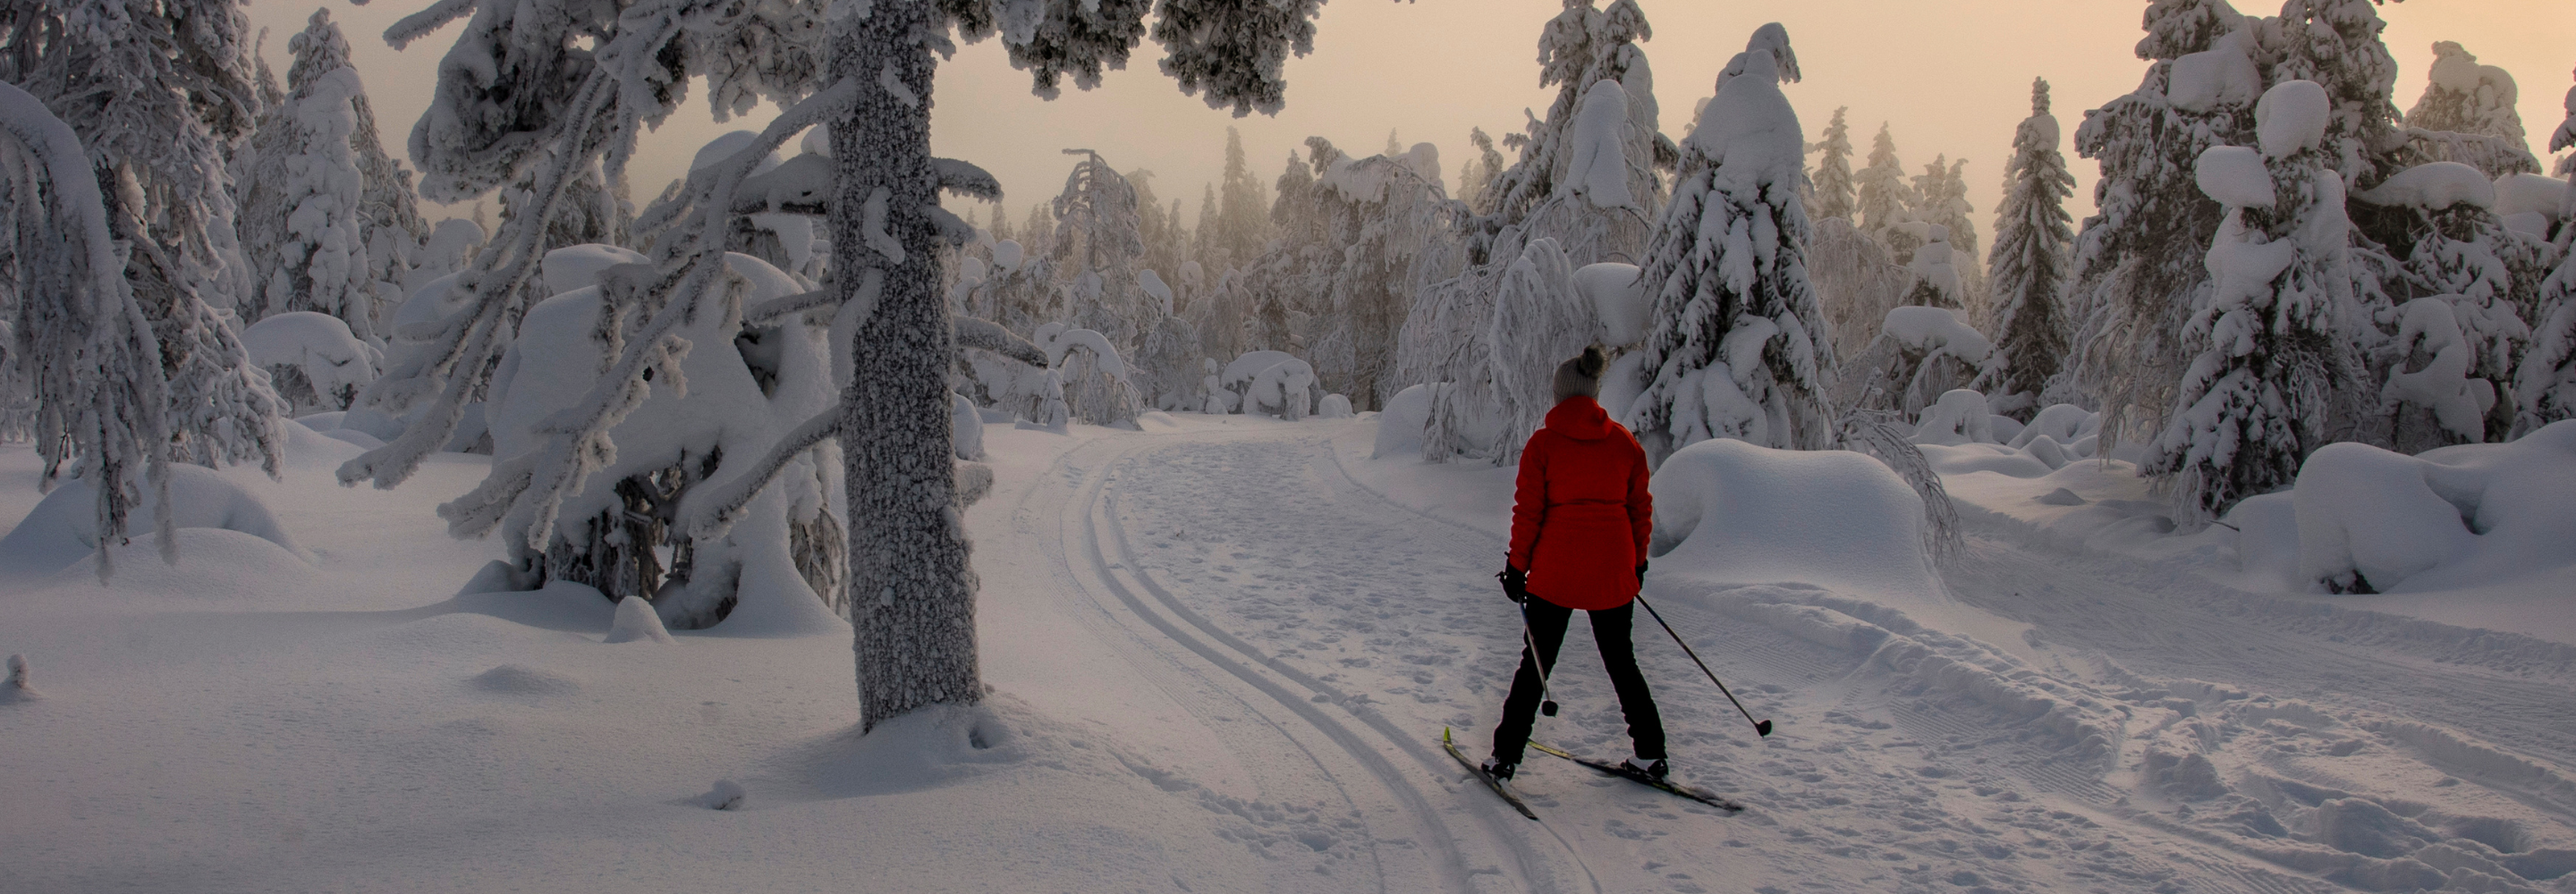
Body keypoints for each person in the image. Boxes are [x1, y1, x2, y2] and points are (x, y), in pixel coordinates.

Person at [1485, 346, 1666, 781]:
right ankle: (1651, 754)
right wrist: (1637, 564)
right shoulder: (1624, 443)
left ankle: (1506, 757)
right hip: (1613, 573)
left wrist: (1516, 568)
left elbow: (1528, 512)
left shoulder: (1544, 444)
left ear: (1559, 394)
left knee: (1537, 667)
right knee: (1622, 663)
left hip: (1557, 574)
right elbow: (1640, 510)